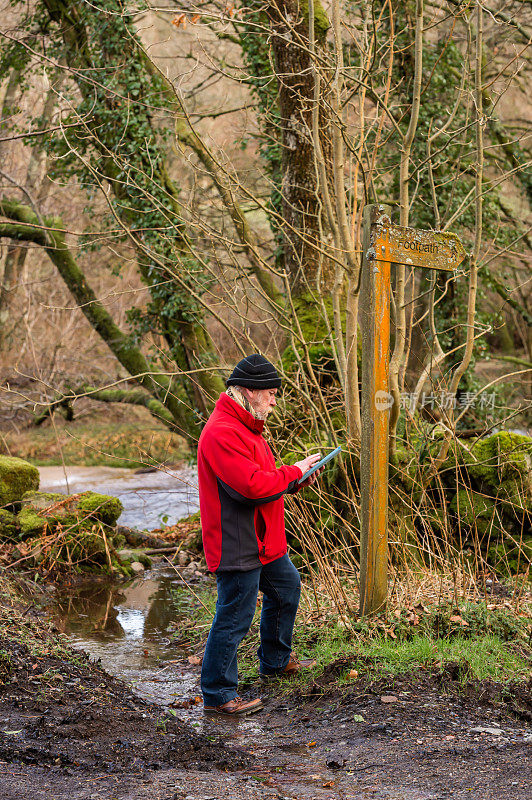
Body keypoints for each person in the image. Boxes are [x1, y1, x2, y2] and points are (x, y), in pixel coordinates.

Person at [197, 353, 322, 715]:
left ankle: (275, 661)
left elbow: (265, 481)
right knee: (234, 617)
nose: (273, 400)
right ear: (247, 392)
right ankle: (218, 695)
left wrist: (295, 479)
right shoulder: (222, 431)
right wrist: (291, 471)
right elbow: (249, 487)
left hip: (264, 542)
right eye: (269, 392)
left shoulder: (248, 427)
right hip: (237, 543)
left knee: (286, 589)